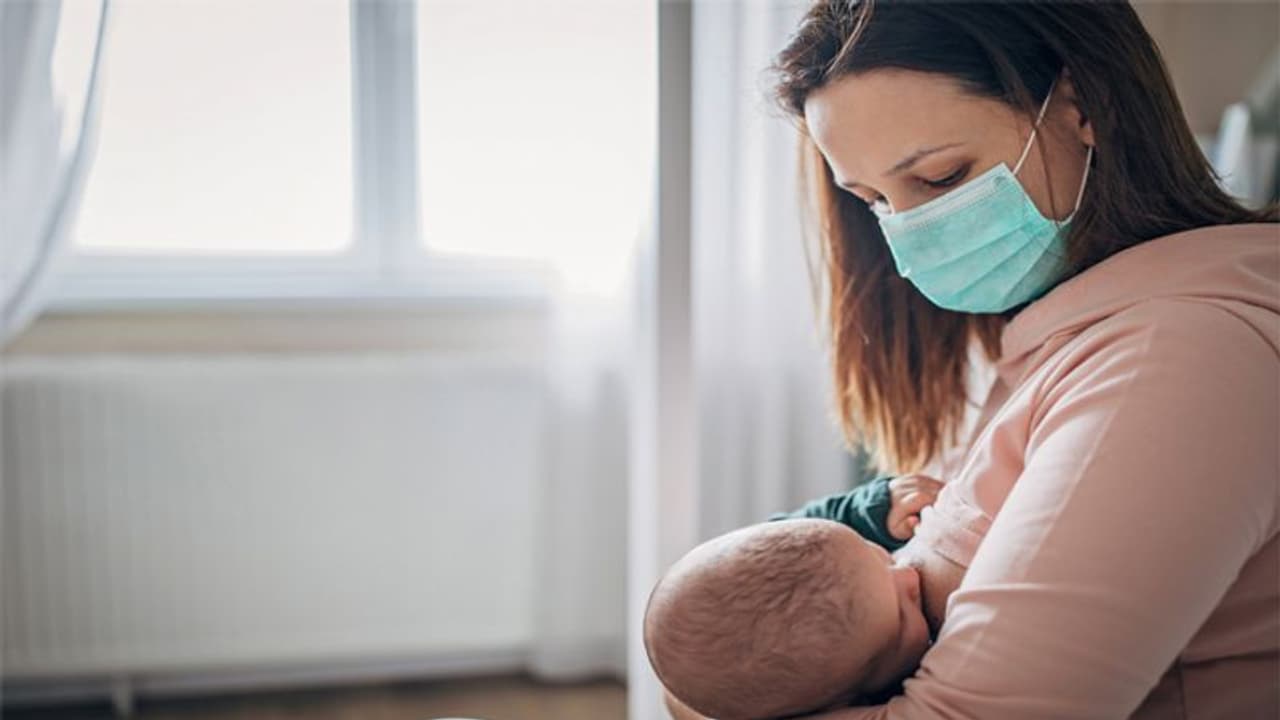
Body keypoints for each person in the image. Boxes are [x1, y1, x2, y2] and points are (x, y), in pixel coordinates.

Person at [751, 1, 1279, 717]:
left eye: (942, 178)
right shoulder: (1053, 337)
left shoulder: (1177, 360)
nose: (910, 235)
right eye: (873, 200)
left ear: (1081, 106)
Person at [642, 476, 944, 720]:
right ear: (840, 703)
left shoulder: (836, 564)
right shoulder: (891, 702)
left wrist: (870, 511)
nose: (908, 576)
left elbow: (796, 538)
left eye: (877, 555)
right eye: (903, 615)